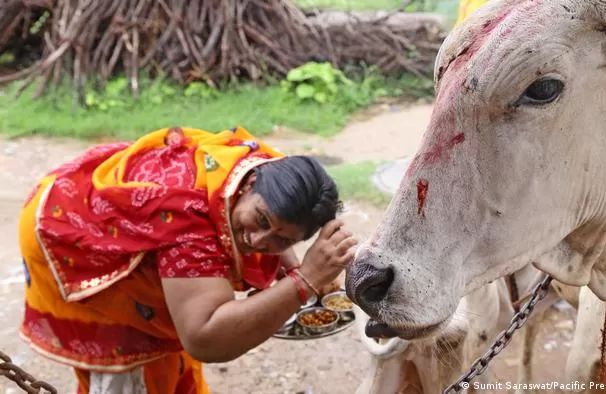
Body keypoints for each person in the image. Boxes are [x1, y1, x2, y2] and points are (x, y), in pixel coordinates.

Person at [17, 125, 358, 393]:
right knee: (127, 359)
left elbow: (278, 219)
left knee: (176, 323)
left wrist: (293, 265)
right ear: (250, 184)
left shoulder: (269, 169)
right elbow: (204, 337)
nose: (256, 241)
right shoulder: (189, 229)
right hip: (71, 238)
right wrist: (304, 280)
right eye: (261, 221)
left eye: (283, 240)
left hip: (87, 192)